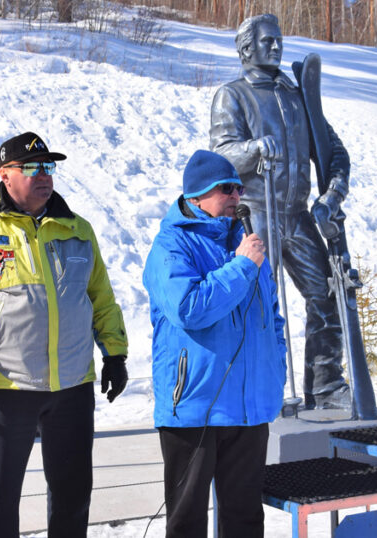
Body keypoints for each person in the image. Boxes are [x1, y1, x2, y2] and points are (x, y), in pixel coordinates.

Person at [0, 132, 129, 537]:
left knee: (72, 498)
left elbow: (101, 298)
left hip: (72, 387)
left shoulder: (78, 230)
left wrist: (115, 354)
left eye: (48, 167)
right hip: (6, 388)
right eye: (32, 167)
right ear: (5, 175)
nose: (44, 175)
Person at [210, 13, 352, 409]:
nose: (276, 46)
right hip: (256, 213)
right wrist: (254, 148)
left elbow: (335, 154)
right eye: (267, 40)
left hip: (298, 214)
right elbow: (220, 155)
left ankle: (325, 387)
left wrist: (331, 197)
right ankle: (254, 390)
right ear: (246, 48)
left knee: (326, 294)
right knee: (255, 303)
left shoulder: (297, 97)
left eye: (279, 39)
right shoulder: (233, 95)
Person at [143, 150, 287, 537]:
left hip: (249, 408)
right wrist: (241, 266)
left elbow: (272, 317)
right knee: (187, 522)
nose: (236, 195)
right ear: (196, 194)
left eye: (239, 188)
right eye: (226, 188)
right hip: (195, 407)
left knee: (245, 519)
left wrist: (276, 372)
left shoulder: (248, 244)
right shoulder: (171, 245)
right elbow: (189, 309)